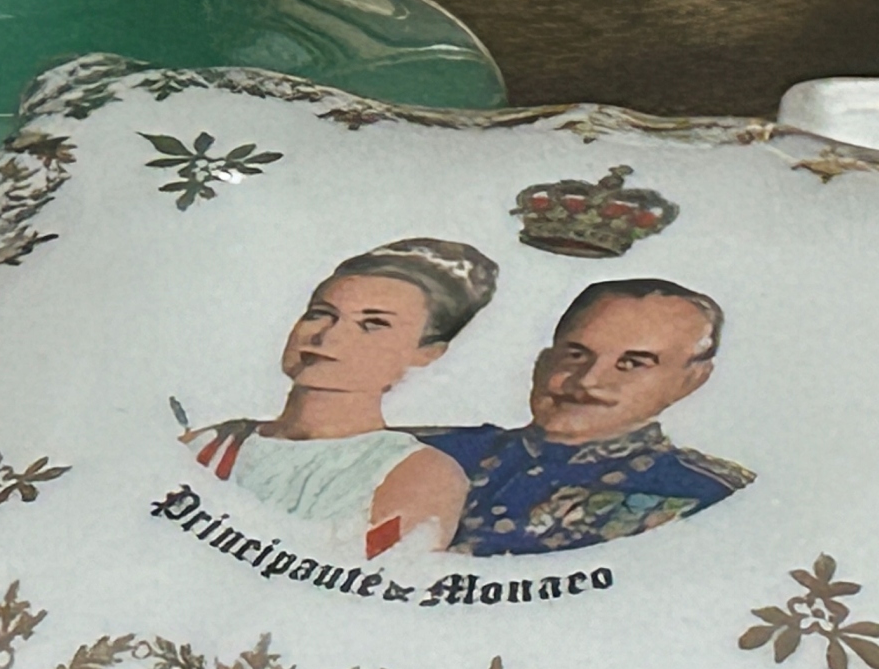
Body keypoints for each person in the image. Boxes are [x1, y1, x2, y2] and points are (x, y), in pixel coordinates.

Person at [182, 238, 497, 555]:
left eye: (373, 324)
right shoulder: (206, 444)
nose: (328, 336)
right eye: (320, 314)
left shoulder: (420, 474)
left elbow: (368, 576)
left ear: (427, 352)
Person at [415, 278, 753, 556]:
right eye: (576, 355)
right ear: (543, 362)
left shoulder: (713, 494)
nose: (588, 380)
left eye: (631, 364)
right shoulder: (418, 449)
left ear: (691, 380)